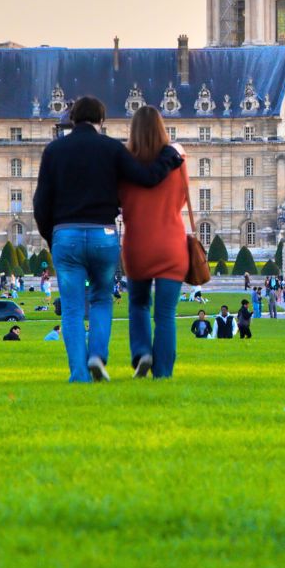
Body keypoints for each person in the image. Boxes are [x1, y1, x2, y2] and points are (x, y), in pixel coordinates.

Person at [33, 95, 181, 383]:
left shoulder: (54, 150)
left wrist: (53, 237)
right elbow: (147, 178)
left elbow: (41, 204)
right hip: (103, 234)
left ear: (73, 119)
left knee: (73, 309)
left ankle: (79, 374)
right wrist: (169, 157)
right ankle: (97, 356)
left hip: (66, 234)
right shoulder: (112, 148)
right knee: (101, 299)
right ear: (102, 121)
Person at [118, 106, 192, 379]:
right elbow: (183, 199)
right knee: (165, 315)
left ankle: (141, 352)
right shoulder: (178, 159)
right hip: (172, 244)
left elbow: (120, 199)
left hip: (138, 245)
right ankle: (162, 374)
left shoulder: (125, 163)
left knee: (138, 305)